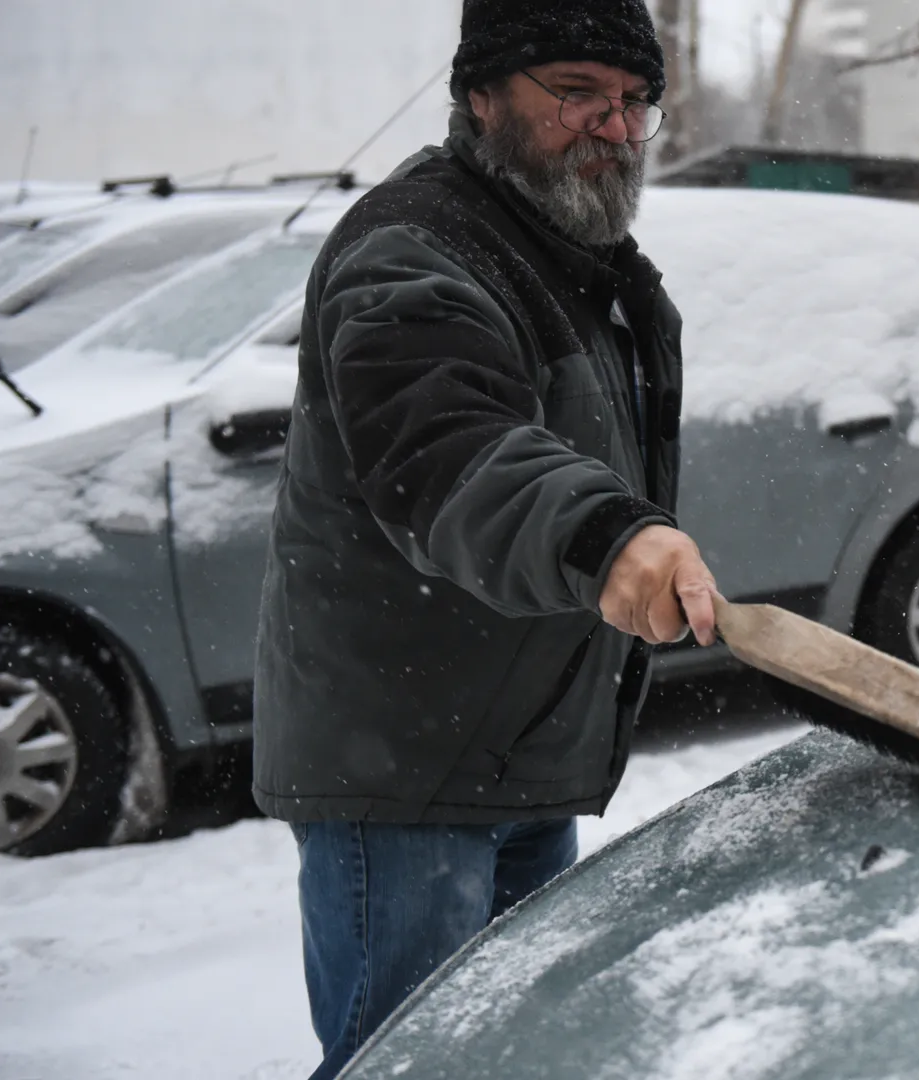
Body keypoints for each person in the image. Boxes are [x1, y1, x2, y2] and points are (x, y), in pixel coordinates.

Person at [248, 2, 715, 1075]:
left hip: (512, 754)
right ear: (481, 94)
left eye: (633, 100)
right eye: (575, 92)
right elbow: (448, 451)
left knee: (513, 1057)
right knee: (408, 1061)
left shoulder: (570, 253)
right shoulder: (415, 249)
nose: (613, 125)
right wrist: (606, 537)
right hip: (408, 771)